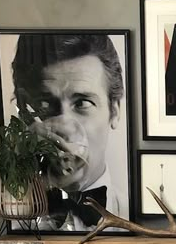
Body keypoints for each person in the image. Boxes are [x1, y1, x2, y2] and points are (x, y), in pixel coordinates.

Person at [11, 32, 127, 230]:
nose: (64, 129)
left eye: (82, 103)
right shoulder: (13, 220)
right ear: (23, 112)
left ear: (114, 111)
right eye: (45, 104)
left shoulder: (135, 218)